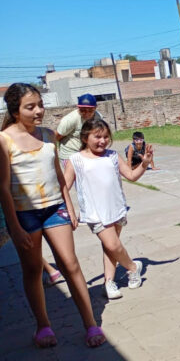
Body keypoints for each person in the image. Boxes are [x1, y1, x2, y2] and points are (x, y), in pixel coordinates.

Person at [0, 83, 106, 348]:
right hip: (25, 215)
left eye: (40, 104)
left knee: (70, 264)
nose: (39, 111)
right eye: (31, 107)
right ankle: (44, 326)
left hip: (54, 209)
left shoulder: (48, 135)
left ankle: (91, 323)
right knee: (33, 269)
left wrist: (69, 206)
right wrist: (13, 226)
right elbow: (2, 186)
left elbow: (58, 175)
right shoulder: (4, 140)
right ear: (15, 111)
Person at [65, 119, 149, 300]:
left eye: (105, 137)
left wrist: (145, 163)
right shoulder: (75, 160)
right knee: (112, 244)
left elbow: (132, 176)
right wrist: (70, 211)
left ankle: (108, 282)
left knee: (110, 247)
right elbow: (64, 187)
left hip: (116, 208)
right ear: (85, 137)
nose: (102, 141)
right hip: (94, 213)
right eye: (97, 137)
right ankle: (133, 267)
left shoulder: (112, 156)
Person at [55, 93, 101, 168]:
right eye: (83, 110)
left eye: (90, 110)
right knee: (74, 179)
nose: (86, 113)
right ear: (78, 108)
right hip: (70, 155)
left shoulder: (98, 117)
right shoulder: (70, 120)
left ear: (95, 108)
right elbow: (57, 136)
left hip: (87, 153)